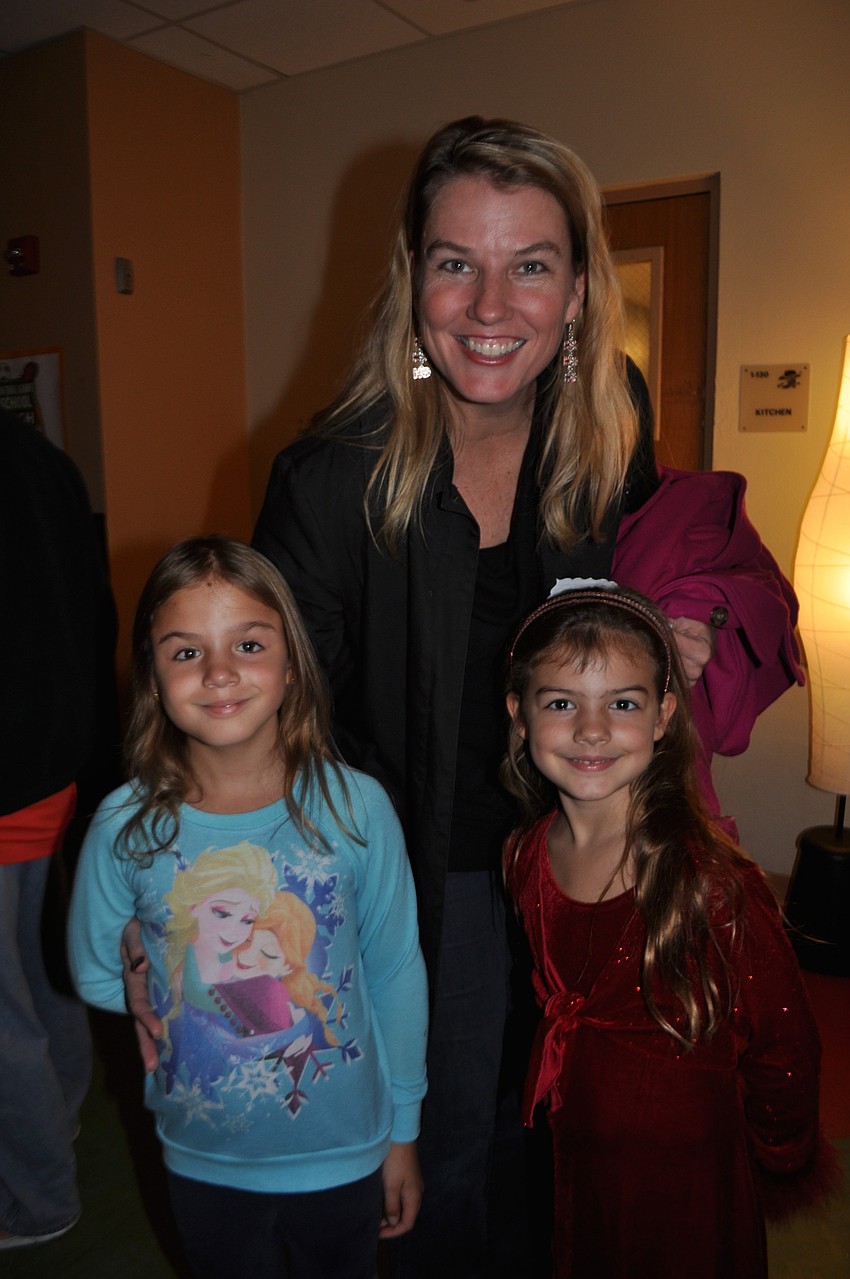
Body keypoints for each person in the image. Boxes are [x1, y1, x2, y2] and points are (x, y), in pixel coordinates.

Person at [126, 117, 801, 1276]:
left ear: (578, 287)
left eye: (529, 265)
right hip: (416, 876)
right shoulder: (334, 474)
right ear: (412, 279)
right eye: (456, 262)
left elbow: (658, 552)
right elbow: (251, 710)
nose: (491, 307)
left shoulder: (611, 417)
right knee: (445, 1161)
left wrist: (672, 625)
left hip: (586, 855)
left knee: (574, 1141)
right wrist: (173, 899)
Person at [68, 536, 428, 1279]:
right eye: (187, 651)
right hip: (203, 1157)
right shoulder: (124, 825)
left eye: (249, 642)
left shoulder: (356, 808)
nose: (221, 671)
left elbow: (395, 970)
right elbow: (97, 971)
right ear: (153, 675)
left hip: (348, 1151)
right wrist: (149, 964)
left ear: (291, 661)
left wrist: (403, 1130)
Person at [502, 582, 834, 1278]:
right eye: (562, 702)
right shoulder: (524, 855)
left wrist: (778, 1154)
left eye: (622, 703)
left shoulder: (714, 884)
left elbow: (786, 1044)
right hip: (573, 1160)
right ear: (521, 714)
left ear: (662, 716)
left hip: (687, 1183)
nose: (591, 729)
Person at [0, 407, 114, 1251]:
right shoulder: (41, 456)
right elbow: (94, 606)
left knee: (7, 1011)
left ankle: (34, 1197)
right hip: (55, 761)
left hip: (13, 769)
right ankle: (60, 1125)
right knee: (41, 973)